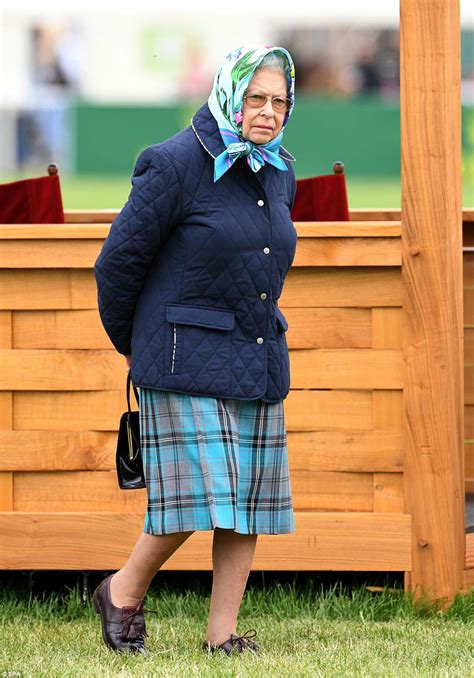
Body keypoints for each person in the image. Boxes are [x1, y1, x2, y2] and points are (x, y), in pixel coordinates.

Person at [92, 44, 297, 657]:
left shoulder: (279, 170)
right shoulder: (175, 163)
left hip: (256, 356)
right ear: (230, 94)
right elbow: (115, 266)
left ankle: (223, 635)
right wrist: (140, 346)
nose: (267, 111)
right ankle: (123, 592)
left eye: (279, 101)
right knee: (197, 497)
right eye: (255, 97)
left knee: (247, 506)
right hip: (181, 359)